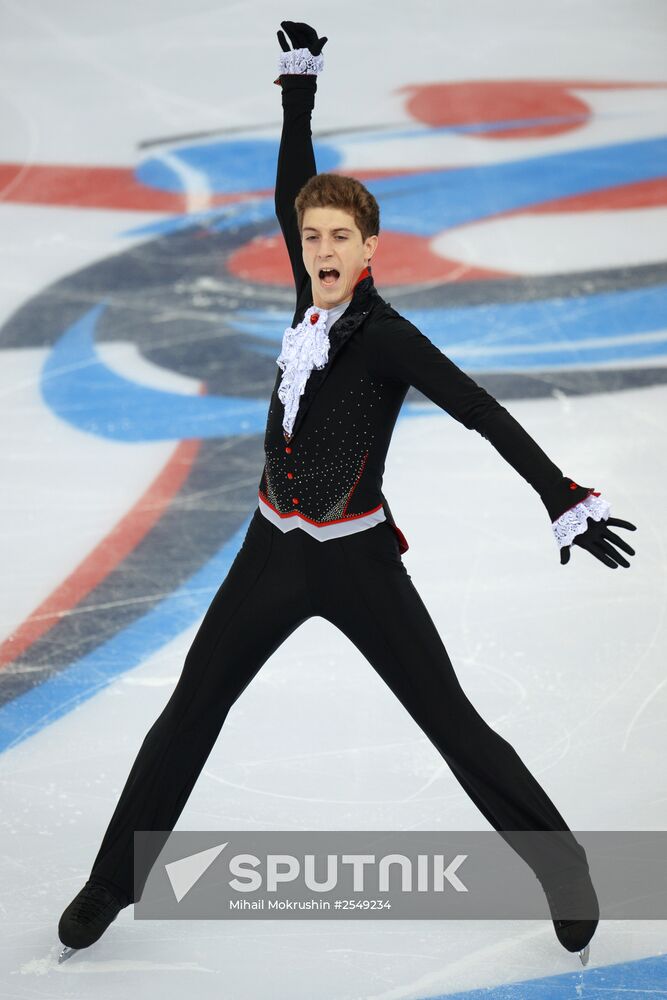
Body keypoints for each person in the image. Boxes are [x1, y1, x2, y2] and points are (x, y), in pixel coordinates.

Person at [57, 20, 637, 966]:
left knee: (451, 723)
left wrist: (558, 493)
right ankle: (110, 883)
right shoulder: (307, 300)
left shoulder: (387, 338)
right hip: (270, 549)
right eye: (311, 236)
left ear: (369, 248)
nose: (320, 247)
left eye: (338, 237)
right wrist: (298, 93)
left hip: (358, 560)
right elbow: (297, 184)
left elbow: (479, 409)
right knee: (191, 710)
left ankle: (561, 865)